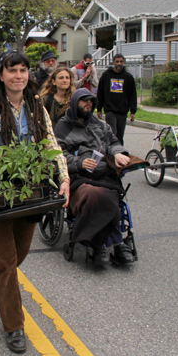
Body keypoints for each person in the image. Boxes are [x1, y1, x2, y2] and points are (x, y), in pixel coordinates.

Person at [0, 50, 70, 354]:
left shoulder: (36, 106)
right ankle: (14, 326)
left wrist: (64, 176)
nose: (18, 75)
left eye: (23, 70)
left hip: (33, 191)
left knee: (18, 257)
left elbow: (51, 142)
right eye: (12, 70)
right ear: (1, 75)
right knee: (6, 262)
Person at [54, 88, 136, 265]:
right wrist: (79, 162)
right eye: (84, 101)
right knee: (98, 195)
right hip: (77, 178)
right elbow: (57, 155)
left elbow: (113, 142)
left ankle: (110, 243)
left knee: (111, 192)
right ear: (76, 103)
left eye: (91, 101)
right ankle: (106, 243)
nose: (88, 104)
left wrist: (118, 153)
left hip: (102, 175)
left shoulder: (100, 125)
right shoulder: (63, 127)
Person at [96, 54, 137, 145]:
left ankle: (120, 152)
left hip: (122, 111)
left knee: (120, 135)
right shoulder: (106, 75)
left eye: (121, 62)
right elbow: (100, 92)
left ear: (124, 63)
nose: (119, 63)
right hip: (110, 110)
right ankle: (111, 153)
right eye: (117, 61)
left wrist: (133, 111)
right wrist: (99, 108)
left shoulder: (128, 77)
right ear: (113, 62)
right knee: (112, 133)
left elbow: (132, 95)